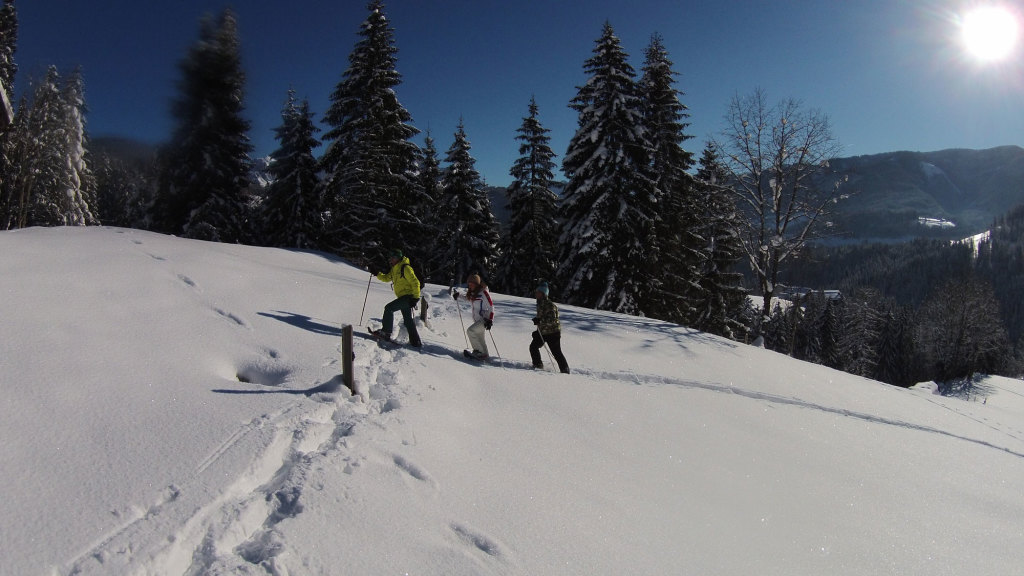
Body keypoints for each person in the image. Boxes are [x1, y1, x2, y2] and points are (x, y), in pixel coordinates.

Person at [371, 249, 422, 347]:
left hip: (408, 297)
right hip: (403, 297)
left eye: (393, 258)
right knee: (407, 320)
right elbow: (386, 278)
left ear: (398, 258)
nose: (391, 260)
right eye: (390, 258)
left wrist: (415, 298)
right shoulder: (395, 268)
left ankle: (386, 332)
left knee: (389, 308)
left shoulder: (405, 268)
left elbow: (416, 283)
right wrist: (377, 273)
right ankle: (416, 341)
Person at [530, 282, 570, 373]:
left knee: (556, 353)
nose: (536, 293)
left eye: (538, 292)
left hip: (553, 333)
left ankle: (565, 370)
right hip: (544, 332)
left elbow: (552, 320)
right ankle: (538, 365)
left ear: (543, 294)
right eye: (536, 292)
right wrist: (537, 330)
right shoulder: (540, 304)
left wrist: (539, 321)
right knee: (533, 347)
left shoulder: (550, 305)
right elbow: (542, 319)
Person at [453, 273, 493, 359]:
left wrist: (490, 320)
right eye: (469, 284)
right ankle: (484, 355)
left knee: (470, 331)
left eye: (471, 283)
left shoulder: (483, 292)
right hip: (477, 320)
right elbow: (468, 299)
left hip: (484, 320)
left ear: (476, 284)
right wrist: (458, 296)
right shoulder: (474, 292)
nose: (469, 285)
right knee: (480, 337)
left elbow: (491, 306)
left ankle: (479, 352)